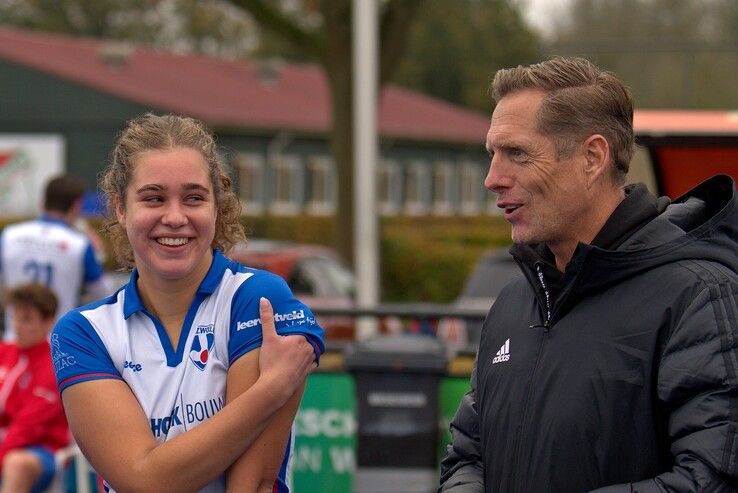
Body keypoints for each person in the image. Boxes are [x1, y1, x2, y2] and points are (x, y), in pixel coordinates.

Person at [439, 57, 738, 492]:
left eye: (517, 153)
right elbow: (467, 456)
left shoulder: (700, 297)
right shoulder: (513, 301)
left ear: (593, 157)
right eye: (492, 154)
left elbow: (712, 479)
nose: (492, 178)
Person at [50, 113, 324, 493]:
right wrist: (271, 390)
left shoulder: (257, 300)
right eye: (154, 198)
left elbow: (250, 485)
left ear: (217, 205)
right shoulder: (84, 332)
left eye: (194, 198)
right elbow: (142, 480)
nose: (175, 217)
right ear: (120, 208)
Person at [0, 174, 112, 340]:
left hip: (15, 339)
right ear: (76, 205)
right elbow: (103, 295)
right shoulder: (79, 243)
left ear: (43, 201)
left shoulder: (9, 235)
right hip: (58, 345)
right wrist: (99, 255)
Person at [0, 283, 69, 493]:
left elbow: (28, 426)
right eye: (15, 317)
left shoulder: (54, 364)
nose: (18, 326)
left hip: (41, 450)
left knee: (16, 463)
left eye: (26, 319)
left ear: (48, 322)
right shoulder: (5, 351)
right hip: (7, 442)